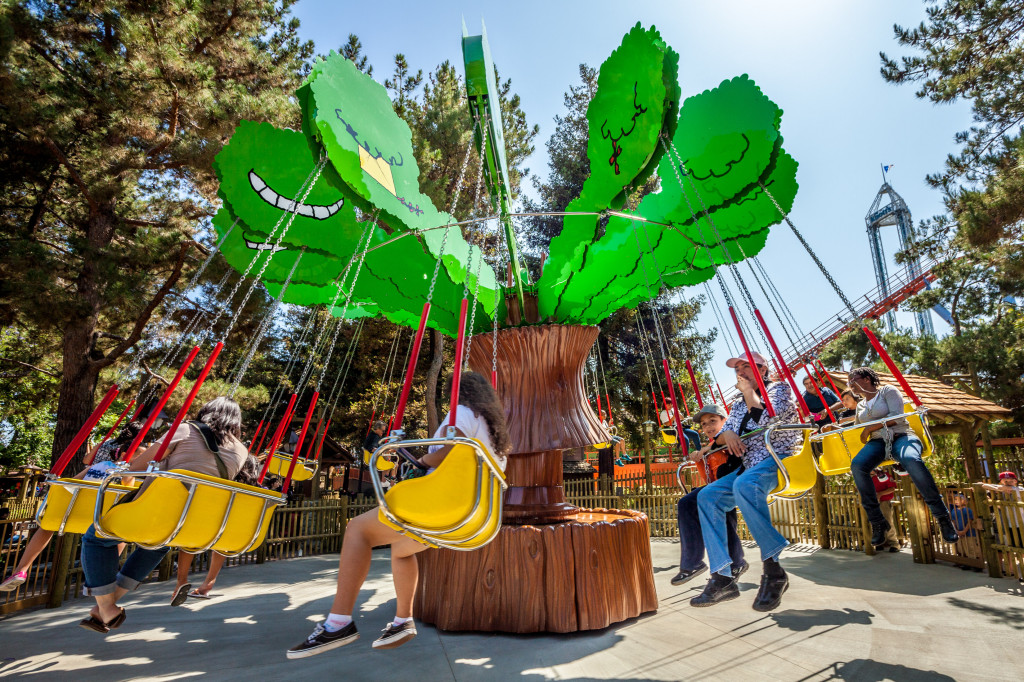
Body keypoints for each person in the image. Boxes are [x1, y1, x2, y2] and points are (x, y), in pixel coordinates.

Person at [287, 372, 510, 659]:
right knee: (402, 550)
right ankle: (403, 621)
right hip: (473, 514)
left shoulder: (463, 413)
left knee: (357, 530)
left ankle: (338, 622)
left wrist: (420, 461)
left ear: (459, 393)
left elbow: (453, 449)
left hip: (441, 504)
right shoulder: (495, 434)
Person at [78, 397, 249, 632]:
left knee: (97, 537)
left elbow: (137, 467)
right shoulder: (241, 450)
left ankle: (106, 606)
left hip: (155, 511)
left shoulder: (186, 429)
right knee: (158, 545)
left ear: (206, 412)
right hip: (189, 522)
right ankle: (106, 608)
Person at [693, 352, 802, 612]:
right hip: (750, 464)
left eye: (747, 367)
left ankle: (773, 570)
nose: (741, 372)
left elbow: (764, 418)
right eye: (737, 369)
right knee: (707, 497)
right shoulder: (739, 403)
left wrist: (748, 393)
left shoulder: (780, 389)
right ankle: (723, 575)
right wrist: (727, 434)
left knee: (745, 485)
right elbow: (721, 433)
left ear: (763, 370)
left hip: (779, 457)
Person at [0, 421, 143, 593]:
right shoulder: (126, 473)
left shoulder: (104, 450)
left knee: (47, 525)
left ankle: (21, 569)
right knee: (119, 535)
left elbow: (75, 477)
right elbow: (128, 490)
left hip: (74, 511)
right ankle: (106, 575)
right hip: (102, 517)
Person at [846, 367, 959, 548]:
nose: (850, 385)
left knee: (911, 460)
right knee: (858, 466)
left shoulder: (888, 391)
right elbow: (857, 426)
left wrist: (869, 428)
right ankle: (877, 521)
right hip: (877, 443)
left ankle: (942, 517)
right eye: (848, 383)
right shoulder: (860, 405)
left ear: (867, 378)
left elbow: (896, 417)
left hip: (901, 436)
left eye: (853, 380)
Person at [170, 454, 263, 603]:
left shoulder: (222, 485)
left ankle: (181, 580)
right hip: (231, 534)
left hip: (207, 526)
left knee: (189, 540)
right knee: (221, 545)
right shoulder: (255, 493)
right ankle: (209, 582)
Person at [671, 404, 746, 587]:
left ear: (724, 421)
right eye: (704, 424)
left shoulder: (730, 436)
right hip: (717, 486)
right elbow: (708, 475)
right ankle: (696, 562)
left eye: (713, 421)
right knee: (688, 504)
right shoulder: (711, 447)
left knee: (712, 508)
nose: (708, 427)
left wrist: (711, 446)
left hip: (735, 483)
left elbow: (730, 441)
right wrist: (700, 457)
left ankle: (733, 563)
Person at [871, 469, 901, 552]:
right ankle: (879, 543)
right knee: (875, 523)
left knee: (888, 522)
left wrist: (880, 494)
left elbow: (892, 488)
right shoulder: (867, 477)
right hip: (872, 503)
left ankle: (894, 544)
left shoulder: (885, 475)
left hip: (884, 502)